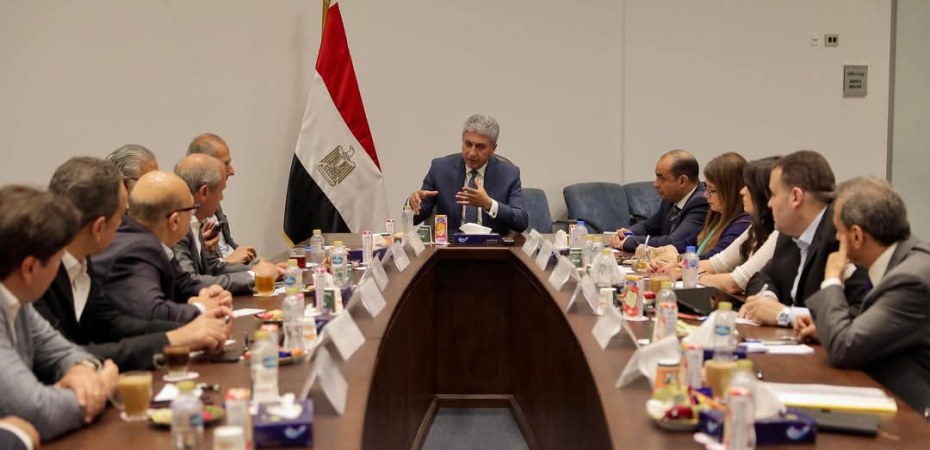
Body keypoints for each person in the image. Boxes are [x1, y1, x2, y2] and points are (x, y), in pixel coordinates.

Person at [35, 157, 231, 370]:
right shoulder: (37, 276)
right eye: (122, 216)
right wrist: (174, 339)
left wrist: (191, 326)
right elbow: (63, 357)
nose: (127, 225)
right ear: (99, 227)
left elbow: (112, 323)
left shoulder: (82, 260)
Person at [794, 177, 930, 412]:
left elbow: (844, 348)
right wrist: (827, 326)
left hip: (913, 414)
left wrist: (832, 280)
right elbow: (870, 327)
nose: (837, 239)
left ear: (857, 236)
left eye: (839, 232)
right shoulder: (903, 259)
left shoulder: (911, 278)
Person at [0, 185, 118, 441]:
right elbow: (39, 412)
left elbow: (63, 351)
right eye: (59, 257)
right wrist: (104, 386)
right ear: (30, 268)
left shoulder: (17, 301)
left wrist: (83, 368)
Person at [741, 150, 868, 326]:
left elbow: (862, 314)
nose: (769, 203)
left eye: (774, 194)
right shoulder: (790, 231)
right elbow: (761, 277)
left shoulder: (841, 234)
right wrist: (767, 299)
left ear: (796, 197)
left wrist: (785, 315)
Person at [93, 171, 232, 323]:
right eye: (191, 209)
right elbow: (153, 312)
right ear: (174, 221)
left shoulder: (152, 240)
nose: (193, 216)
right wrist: (202, 307)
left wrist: (206, 292)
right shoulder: (139, 250)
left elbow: (182, 284)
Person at [652, 157, 779, 294]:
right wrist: (677, 268)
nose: (742, 191)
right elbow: (717, 262)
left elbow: (734, 283)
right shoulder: (751, 226)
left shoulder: (754, 226)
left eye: (748, 186)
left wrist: (692, 273)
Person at [173, 154, 279, 295]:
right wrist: (254, 277)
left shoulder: (198, 221)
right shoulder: (177, 226)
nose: (222, 198)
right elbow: (190, 282)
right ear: (204, 192)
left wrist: (264, 271)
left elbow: (213, 268)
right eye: (221, 190)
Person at [407, 114, 529, 235]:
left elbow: (521, 221)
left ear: (493, 148)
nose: (471, 153)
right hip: (451, 244)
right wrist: (412, 204)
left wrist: (488, 204)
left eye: (480, 147)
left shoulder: (509, 174)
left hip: (492, 245)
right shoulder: (440, 169)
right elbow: (415, 218)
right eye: (468, 144)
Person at [611, 150, 709, 253]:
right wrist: (627, 233)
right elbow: (647, 227)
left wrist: (628, 242)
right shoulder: (670, 199)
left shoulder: (702, 202)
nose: (655, 184)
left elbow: (674, 243)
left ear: (682, 181)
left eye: (661, 178)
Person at [187, 133, 257, 265]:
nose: (232, 171)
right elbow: (192, 271)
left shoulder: (213, 200)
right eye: (226, 164)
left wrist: (257, 261)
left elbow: (229, 247)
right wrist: (251, 272)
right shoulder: (182, 217)